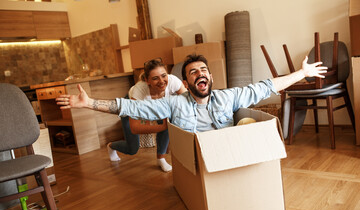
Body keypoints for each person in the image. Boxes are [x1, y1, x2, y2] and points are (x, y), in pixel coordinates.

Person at [56, 53, 326, 138]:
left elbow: (267, 87)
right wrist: (89, 102)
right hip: (195, 154)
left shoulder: (228, 98)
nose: (201, 74)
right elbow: (130, 108)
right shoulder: (174, 103)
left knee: (248, 124)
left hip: (224, 151)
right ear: (186, 81)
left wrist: (301, 73)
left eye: (204, 70)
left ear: (210, 77)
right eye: (194, 72)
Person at [107, 58, 186, 172]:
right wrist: (163, 127)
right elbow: (135, 128)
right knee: (132, 148)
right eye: (155, 78)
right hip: (131, 105)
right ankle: (111, 146)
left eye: (164, 75)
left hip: (157, 106)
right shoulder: (139, 90)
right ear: (147, 80)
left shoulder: (173, 81)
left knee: (167, 123)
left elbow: (188, 103)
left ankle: (161, 158)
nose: (162, 81)